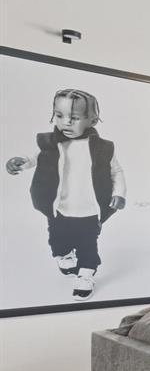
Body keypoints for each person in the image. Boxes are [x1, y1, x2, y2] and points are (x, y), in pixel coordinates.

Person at [5, 88, 126, 301]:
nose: (66, 122)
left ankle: (86, 274)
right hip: (59, 206)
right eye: (60, 115)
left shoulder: (103, 148)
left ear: (92, 121)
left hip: (89, 209)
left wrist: (119, 193)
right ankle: (64, 254)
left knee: (88, 244)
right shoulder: (50, 142)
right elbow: (34, 158)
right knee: (57, 240)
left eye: (75, 117)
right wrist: (21, 162)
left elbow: (116, 171)